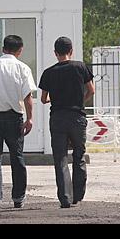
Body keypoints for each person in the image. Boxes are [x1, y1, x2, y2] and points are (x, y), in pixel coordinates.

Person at [0, 34, 36, 211]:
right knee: (17, 157)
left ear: (3, 48)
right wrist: (29, 118)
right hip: (14, 117)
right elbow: (28, 97)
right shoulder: (22, 68)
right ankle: (18, 196)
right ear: (20, 50)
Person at [38, 36, 95, 209]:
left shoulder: (49, 72)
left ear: (55, 53)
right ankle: (78, 195)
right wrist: (80, 101)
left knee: (60, 158)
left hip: (58, 118)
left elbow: (43, 98)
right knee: (79, 155)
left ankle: (64, 197)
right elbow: (91, 90)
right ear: (71, 51)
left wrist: (54, 100)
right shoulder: (80, 67)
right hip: (77, 116)